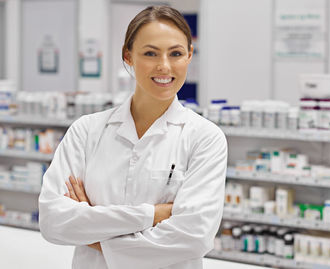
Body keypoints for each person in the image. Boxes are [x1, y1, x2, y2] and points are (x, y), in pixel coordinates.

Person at [38, 6, 227, 269]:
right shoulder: (86, 131)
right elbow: (53, 222)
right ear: (128, 56)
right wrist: (154, 214)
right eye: (150, 53)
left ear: (189, 55)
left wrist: (93, 231)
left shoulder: (205, 138)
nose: (164, 66)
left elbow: (194, 237)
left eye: (176, 53)